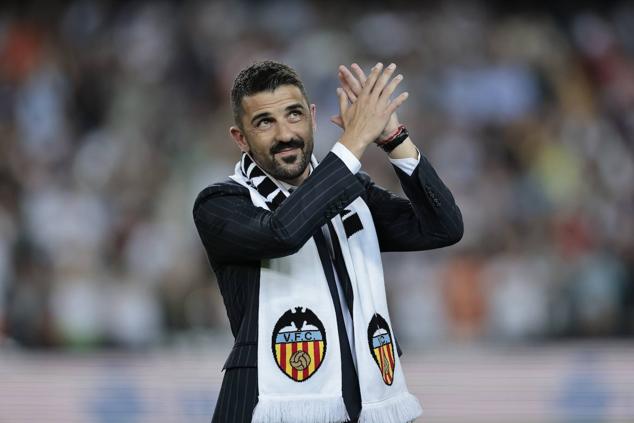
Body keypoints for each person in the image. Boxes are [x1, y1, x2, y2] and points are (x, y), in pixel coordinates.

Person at [193, 60, 463, 423]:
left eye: (294, 115)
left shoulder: (350, 193)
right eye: (264, 122)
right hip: (266, 408)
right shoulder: (220, 203)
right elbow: (282, 232)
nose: (285, 133)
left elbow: (442, 227)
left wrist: (393, 139)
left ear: (313, 116)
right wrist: (351, 143)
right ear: (240, 138)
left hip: (361, 405)